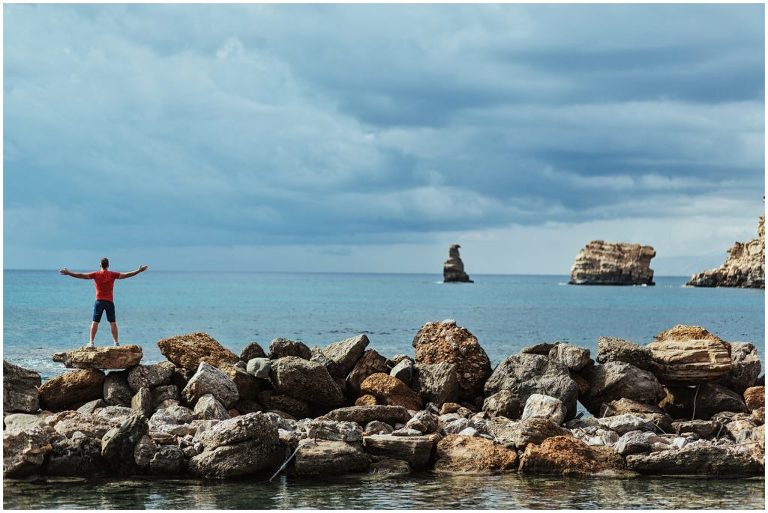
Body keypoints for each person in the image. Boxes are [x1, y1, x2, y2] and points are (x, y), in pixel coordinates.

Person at [59, 257, 148, 348]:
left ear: (100, 265)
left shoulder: (96, 274)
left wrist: (69, 273)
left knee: (95, 322)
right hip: (109, 302)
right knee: (112, 322)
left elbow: (81, 275)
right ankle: (116, 343)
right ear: (108, 265)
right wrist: (138, 271)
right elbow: (126, 275)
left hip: (99, 302)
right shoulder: (112, 274)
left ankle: (91, 342)